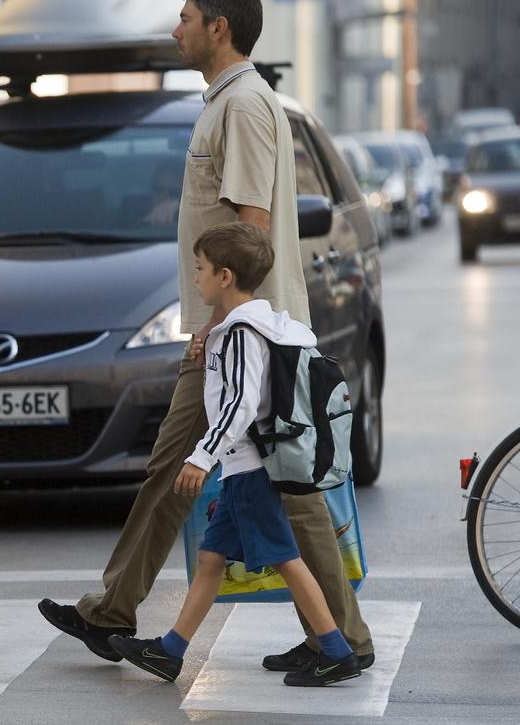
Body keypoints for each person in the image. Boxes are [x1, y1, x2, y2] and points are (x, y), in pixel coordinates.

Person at [38, 0, 375, 676]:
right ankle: (115, 611)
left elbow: (249, 230)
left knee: (286, 487)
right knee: (193, 470)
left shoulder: (246, 105)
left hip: (243, 337)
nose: (176, 28)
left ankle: (343, 638)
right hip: (228, 330)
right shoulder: (225, 103)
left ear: (219, 27)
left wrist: (218, 324)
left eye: (185, 17)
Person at [109, 223, 362, 687]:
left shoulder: (242, 332)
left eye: (200, 269)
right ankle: (170, 651)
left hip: (250, 467)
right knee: (211, 559)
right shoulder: (277, 326)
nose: (196, 278)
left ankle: (336, 650)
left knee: (287, 559)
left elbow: (240, 404)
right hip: (248, 467)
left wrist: (201, 456)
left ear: (225, 276)